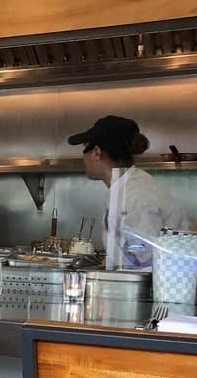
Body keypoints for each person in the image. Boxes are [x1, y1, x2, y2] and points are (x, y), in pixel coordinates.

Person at [68, 115, 187, 269]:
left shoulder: (137, 194)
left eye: (85, 148)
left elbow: (145, 260)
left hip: (155, 288)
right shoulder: (125, 188)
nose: (83, 158)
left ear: (97, 152)